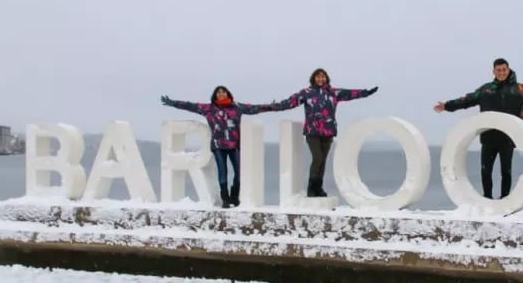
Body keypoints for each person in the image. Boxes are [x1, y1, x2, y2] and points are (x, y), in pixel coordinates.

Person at [434, 58, 523, 199]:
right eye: (498, 70)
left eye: (504, 70)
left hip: (508, 139)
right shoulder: (485, 90)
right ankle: (487, 199)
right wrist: (447, 106)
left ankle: (504, 200)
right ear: (494, 71)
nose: (501, 73)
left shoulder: (519, 89)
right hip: (488, 138)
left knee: (506, 172)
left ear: (508, 69)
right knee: (485, 172)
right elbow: (466, 100)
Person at [268, 69, 378, 197]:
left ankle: (318, 188)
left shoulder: (333, 93)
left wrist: (366, 93)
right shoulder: (306, 93)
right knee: (317, 158)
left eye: (323, 77)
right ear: (313, 79)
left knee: (323, 161)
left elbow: (351, 93)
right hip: (312, 131)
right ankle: (311, 188)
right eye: (318, 77)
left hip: (328, 131)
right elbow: (290, 102)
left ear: (326, 78)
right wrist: (274, 107)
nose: (320, 79)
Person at [160, 86, 275, 208]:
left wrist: (270, 107)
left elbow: (254, 108)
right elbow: (190, 106)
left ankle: (234, 196)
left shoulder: (237, 107)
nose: (221, 94)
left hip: (234, 145)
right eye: (218, 92)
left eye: (223, 92)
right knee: (222, 171)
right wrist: (172, 103)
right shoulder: (209, 108)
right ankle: (225, 199)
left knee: (239, 171)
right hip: (218, 146)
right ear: (215, 95)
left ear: (227, 94)